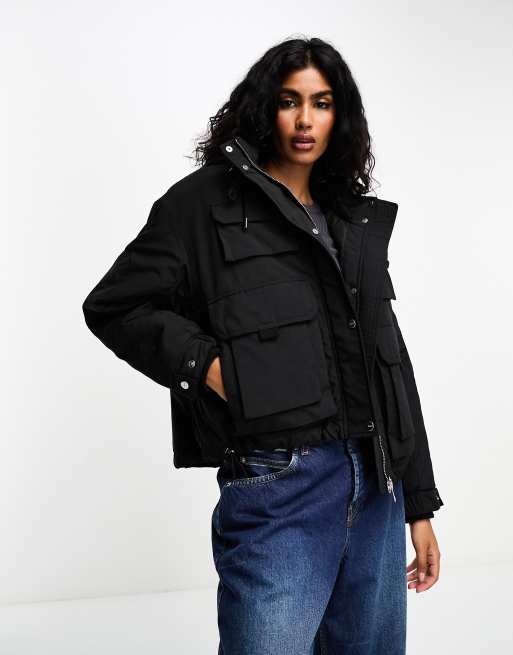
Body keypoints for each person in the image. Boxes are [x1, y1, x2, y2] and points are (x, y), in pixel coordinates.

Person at [82, 36, 444, 654]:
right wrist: (210, 367)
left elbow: (389, 363)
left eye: (321, 103)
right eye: (289, 101)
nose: (305, 120)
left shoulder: (349, 217)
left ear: (339, 116)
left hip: (378, 487)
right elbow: (115, 305)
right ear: (263, 108)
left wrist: (418, 503)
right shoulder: (202, 203)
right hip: (280, 482)